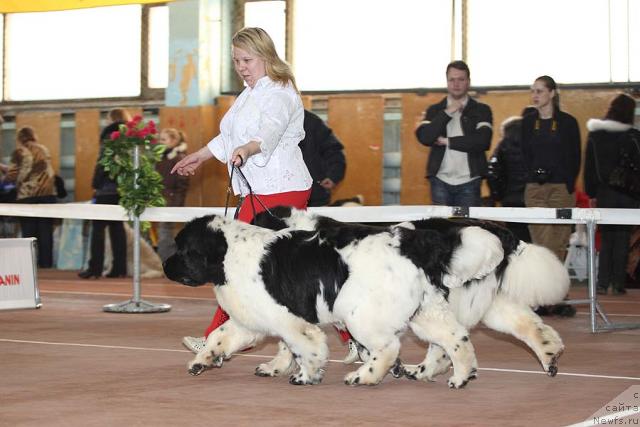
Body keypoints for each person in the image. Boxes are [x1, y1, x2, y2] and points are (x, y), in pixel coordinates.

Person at [172, 27, 313, 353]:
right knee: (264, 268)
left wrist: (249, 149)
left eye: (247, 60)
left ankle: (217, 340)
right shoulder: (248, 94)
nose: (242, 67)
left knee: (243, 266)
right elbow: (227, 137)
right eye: (237, 61)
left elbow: (270, 131)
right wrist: (200, 156)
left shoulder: (279, 92)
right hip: (256, 190)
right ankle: (220, 338)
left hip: (281, 189)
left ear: (265, 56)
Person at [415, 60, 493, 207]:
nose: (456, 84)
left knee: (466, 227)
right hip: (440, 180)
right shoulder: (434, 110)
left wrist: (447, 141)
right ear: (447, 82)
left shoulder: (482, 110)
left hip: (470, 181)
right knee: (442, 227)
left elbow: (483, 141)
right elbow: (426, 137)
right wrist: (447, 112)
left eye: (461, 79)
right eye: (452, 79)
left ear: (468, 82)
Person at [584, 94, 640, 295]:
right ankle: (617, 283)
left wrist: (591, 192)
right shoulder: (633, 136)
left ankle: (601, 282)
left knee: (606, 238)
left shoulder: (596, 135)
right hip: (627, 193)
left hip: (604, 192)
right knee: (623, 239)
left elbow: (589, 167)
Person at [521, 75, 581, 262]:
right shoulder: (528, 122)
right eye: (532, 91)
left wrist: (569, 183)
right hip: (535, 189)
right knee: (541, 242)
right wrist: (531, 176)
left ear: (552, 93)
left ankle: (556, 288)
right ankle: (545, 287)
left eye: (539, 91)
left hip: (561, 188)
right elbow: (525, 153)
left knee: (559, 241)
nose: (535, 95)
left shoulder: (568, 122)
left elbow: (576, 156)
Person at [78, 108, 129, 279]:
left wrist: (95, 184)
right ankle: (119, 268)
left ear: (112, 119)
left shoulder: (110, 135)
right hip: (122, 190)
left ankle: (95, 268)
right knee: (117, 229)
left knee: (98, 230)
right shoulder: (130, 136)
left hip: (106, 189)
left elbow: (103, 163)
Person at [2, 126, 57, 267]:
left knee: (29, 231)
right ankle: (46, 264)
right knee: (46, 232)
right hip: (48, 194)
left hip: (29, 195)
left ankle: (29, 264)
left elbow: (13, 175)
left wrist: (4, 178)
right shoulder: (44, 149)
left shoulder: (20, 151)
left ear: (20, 138)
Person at [487, 116, 531, 243]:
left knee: (518, 239)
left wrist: (497, 195)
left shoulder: (503, 146)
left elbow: (492, 172)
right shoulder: (534, 145)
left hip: (511, 199)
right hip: (534, 198)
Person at [155, 128, 190, 262]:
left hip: (170, 203)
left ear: (174, 141)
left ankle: (168, 263)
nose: (160, 142)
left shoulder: (179, 158)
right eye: (160, 139)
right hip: (162, 201)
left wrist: (175, 205)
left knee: (165, 233)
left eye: (163, 139)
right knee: (164, 233)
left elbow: (182, 185)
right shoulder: (162, 157)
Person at [299, 110, 346, 207]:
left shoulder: (312, 121)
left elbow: (334, 150)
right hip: (277, 194)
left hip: (314, 195)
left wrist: (333, 175)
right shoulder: (267, 119)